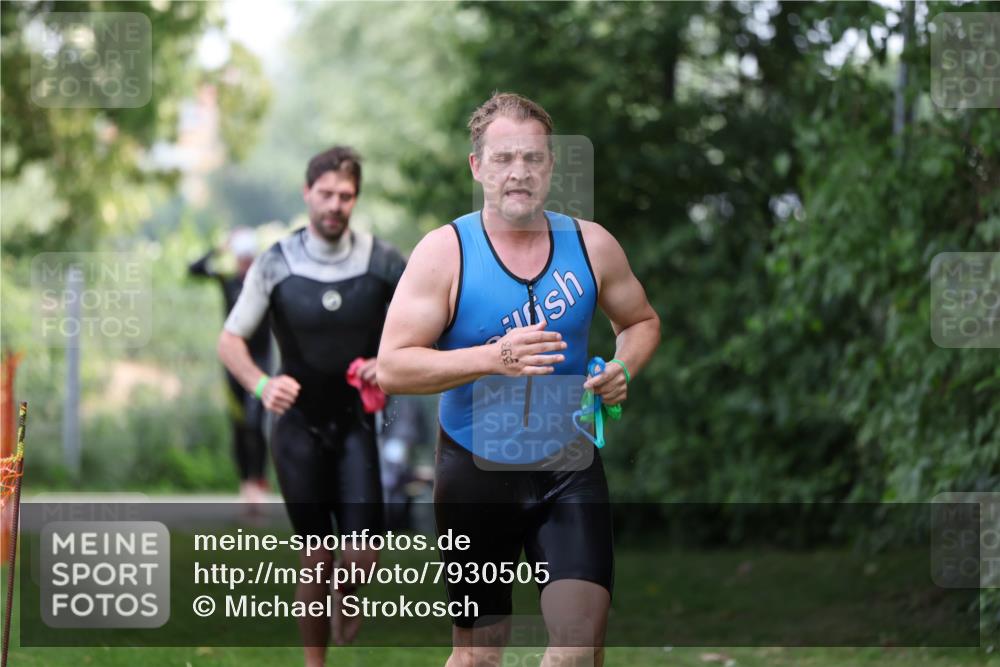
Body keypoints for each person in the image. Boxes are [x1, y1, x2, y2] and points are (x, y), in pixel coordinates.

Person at [378, 92, 660, 667]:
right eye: (503, 158)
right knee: (479, 658)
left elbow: (641, 322)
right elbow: (393, 367)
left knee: (578, 648)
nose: (519, 172)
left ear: (551, 166)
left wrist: (621, 367)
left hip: (568, 466)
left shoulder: (591, 244)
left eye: (533, 158)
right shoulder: (445, 253)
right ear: (477, 167)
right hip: (475, 473)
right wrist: (491, 357)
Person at [217, 146, 406, 666]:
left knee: (363, 553)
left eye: (345, 195)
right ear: (307, 194)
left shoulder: (384, 261)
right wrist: (261, 385)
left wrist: (389, 361)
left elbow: (425, 322)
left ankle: (349, 592)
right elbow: (230, 341)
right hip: (296, 426)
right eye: (326, 194)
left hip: (356, 422)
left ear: (355, 199)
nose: (335, 205)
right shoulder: (276, 262)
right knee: (317, 555)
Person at [188, 228, 270, 506]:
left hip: (260, 364)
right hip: (234, 364)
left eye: (249, 258)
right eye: (241, 258)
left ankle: (258, 482)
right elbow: (194, 269)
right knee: (239, 426)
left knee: (256, 423)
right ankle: (246, 483)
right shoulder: (227, 282)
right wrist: (219, 248)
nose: (245, 263)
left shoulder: (265, 284)